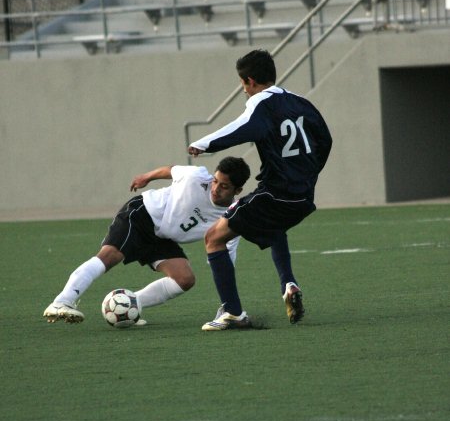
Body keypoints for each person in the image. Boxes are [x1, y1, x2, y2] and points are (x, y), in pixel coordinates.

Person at [188, 49, 332, 331]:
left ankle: (232, 313)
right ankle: (288, 284)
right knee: (273, 225)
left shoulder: (261, 104)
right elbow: (325, 140)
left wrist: (205, 144)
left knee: (214, 237)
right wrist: (308, 174)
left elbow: (242, 127)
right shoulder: (301, 103)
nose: (243, 90)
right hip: (303, 198)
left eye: (243, 84)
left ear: (250, 81)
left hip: (276, 193)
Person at [43, 157, 250, 324]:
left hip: (161, 236)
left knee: (184, 279)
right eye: (215, 181)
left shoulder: (230, 219)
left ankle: (130, 305)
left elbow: (224, 262)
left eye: (223, 186)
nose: (215, 188)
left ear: (237, 191)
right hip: (142, 214)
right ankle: (62, 302)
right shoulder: (195, 176)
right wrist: (146, 177)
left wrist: (228, 301)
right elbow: (170, 170)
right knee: (109, 256)